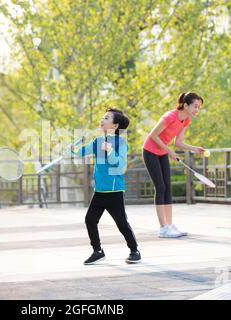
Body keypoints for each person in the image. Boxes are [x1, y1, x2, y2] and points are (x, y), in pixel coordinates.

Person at [73, 108, 141, 265]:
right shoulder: (98, 141)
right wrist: (73, 150)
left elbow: (119, 164)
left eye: (106, 118)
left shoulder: (121, 143)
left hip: (114, 190)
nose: (102, 120)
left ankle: (134, 250)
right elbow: (82, 152)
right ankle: (97, 251)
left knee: (122, 223)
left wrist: (110, 150)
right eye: (103, 117)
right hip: (100, 191)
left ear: (115, 126)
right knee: (90, 220)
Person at [142, 92, 205, 238]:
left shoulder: (186, 120)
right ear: (186, 105)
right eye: (195, 106)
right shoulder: (170, 116)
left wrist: (195, 148)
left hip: (162, 151)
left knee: (167, 187)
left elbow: (178, 142)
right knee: (160, 187)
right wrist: (169, 151)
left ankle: (170, 225)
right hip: (150, 150)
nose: (197, 110)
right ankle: (163, 228)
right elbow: (153, 135)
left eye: (199, 107)